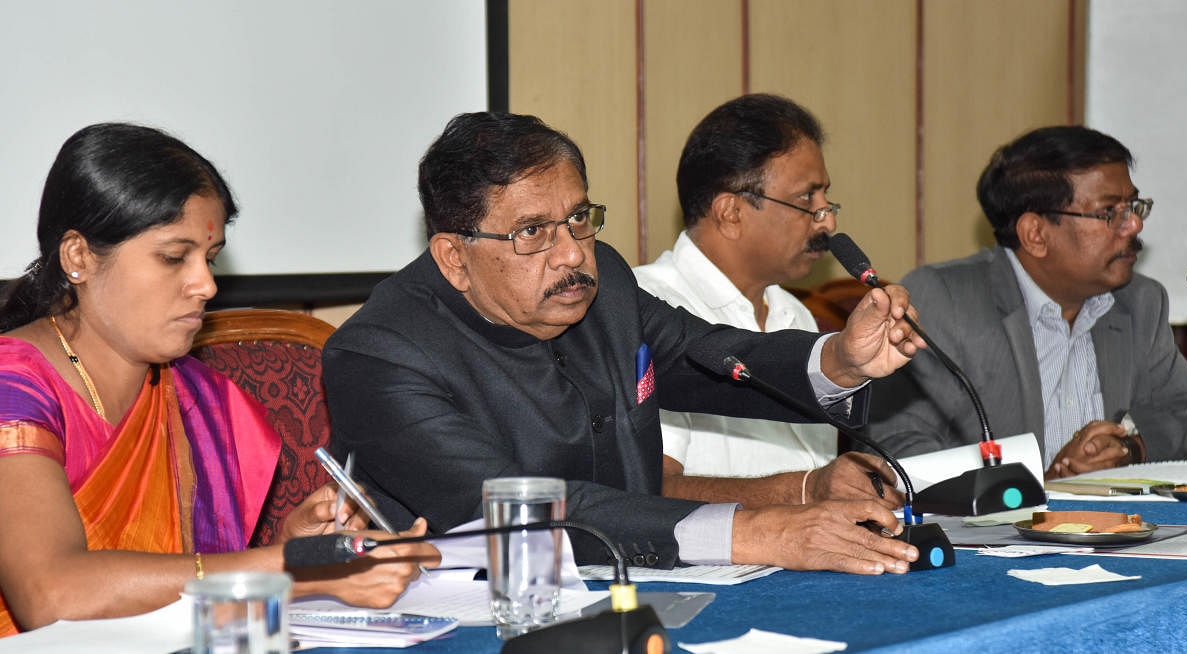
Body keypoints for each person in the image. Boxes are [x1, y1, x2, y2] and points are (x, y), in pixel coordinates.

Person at [324, 111, 926, 577]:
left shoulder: (602, 283)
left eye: (579, 218)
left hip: (642, 584)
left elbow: (714, 356)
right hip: (474, 612)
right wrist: (762, 532)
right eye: (533, 232)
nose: (571, 253)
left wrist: (840, 359)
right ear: (455, 257)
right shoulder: (379, 355)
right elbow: (520, 513)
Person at [0, 123, 439, 636]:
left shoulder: (195, 396)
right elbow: (51, 597)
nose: (206, 284)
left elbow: (175, 580)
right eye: (172, 257)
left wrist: (286, 545)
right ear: (78, 257)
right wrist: (299, 567)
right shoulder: (15, 387)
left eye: (209, 258)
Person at [868, 125, 1187, 479]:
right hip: (985, 533)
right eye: (1109, 212)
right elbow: (898, 447)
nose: (1133, 225)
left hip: (1116, 528)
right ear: (1036, 234)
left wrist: (1132, 447)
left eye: (1132, 206)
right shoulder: (946, 299)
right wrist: (1034, 485)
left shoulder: (1139, 302)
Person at [634, 94, 897, 509]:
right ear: (730, 212)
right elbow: (648, 491)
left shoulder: (795, 314)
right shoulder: (644, 308)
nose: (828, 220)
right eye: (806, 199)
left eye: (826, 199)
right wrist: (807, 491)